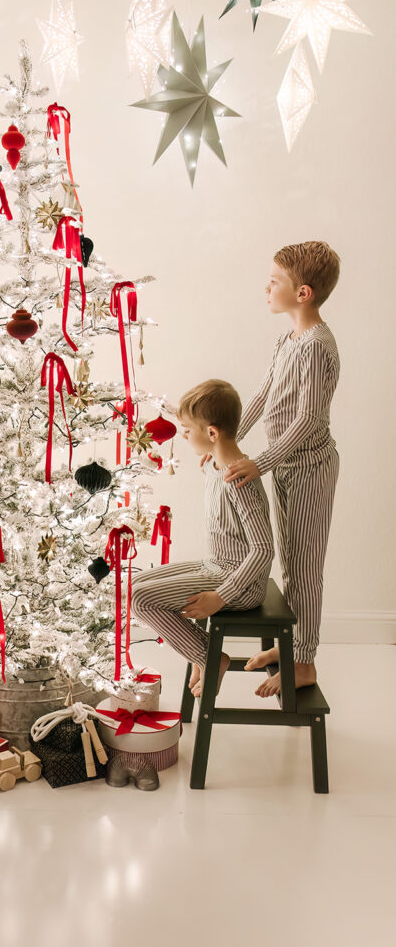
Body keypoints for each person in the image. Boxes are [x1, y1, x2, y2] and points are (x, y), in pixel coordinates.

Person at [223, 241, 340, 697]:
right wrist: (231, 443)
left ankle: (304, 662)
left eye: (276, 282)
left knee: (304, 570)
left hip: (309, 469)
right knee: (290, 564)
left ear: (303, 292)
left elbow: (309, 419)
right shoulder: (287, 340)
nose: (267, 288)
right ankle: (290, 647)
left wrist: (261, 462)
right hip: (287, 469)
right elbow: (262, 395)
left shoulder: (315, 347)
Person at [132, 380, 274, 698]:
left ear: (212, 433)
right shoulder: (213, 463)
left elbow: (264, 550)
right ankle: (199, 652)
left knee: (140, 601)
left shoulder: (239, 481)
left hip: (239, 582)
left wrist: (222, 596)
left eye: (186, 430)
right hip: (213, 564)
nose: (183, 435)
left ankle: (209, 657)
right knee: (132, 588)